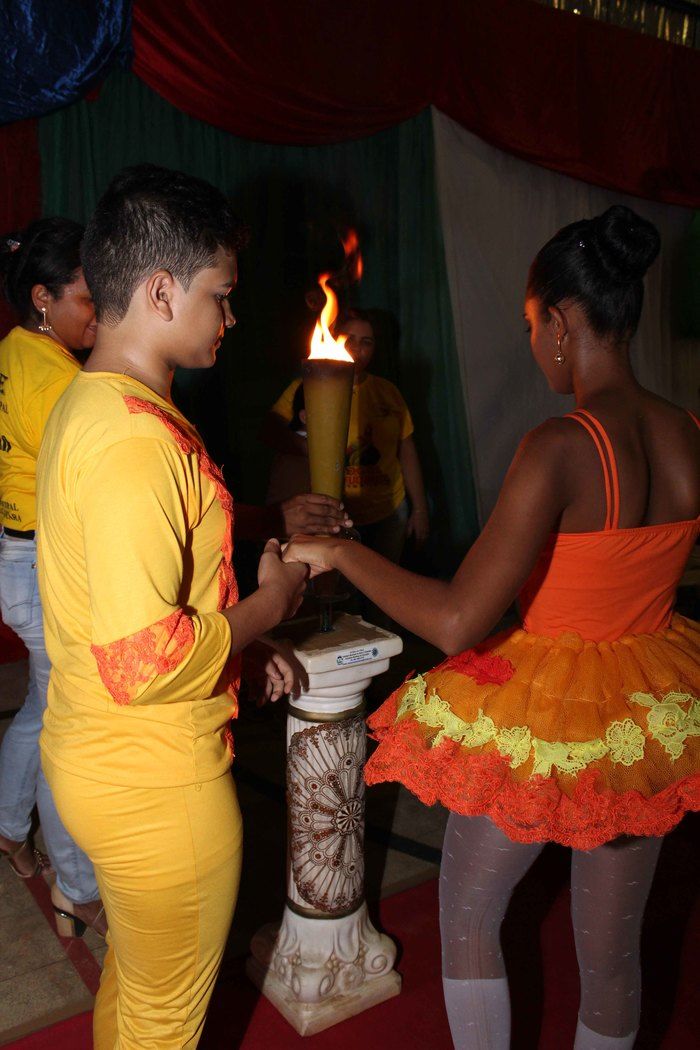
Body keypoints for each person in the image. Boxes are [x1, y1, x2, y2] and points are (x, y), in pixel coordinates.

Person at [284, 205, 700, 1050]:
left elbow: (456, 618)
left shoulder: (561, 444)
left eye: (528, 324)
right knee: (613, 955)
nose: (532, 342)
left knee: (471, 915)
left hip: (549, 711)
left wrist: (343, 551)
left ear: (558, 321)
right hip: (646, 719)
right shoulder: (688, 434)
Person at [36, 165, 308, 1048]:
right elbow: (143, 657)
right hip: (154, 785)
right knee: (164, 1022)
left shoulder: (90, 403)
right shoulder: (130, 439)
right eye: (219, 296)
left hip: (97, 760)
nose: (229, 319)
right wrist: (268, 606)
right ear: (160, 290)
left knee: (136, 993)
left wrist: (234, 637)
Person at [0, 219, 105, 936]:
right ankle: (76, 883)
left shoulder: (12, 352)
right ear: (43, 298)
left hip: (14, 555)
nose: (98, 314)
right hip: (43, 566)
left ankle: (8, 828)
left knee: (41, 714)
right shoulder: (63, 381)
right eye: (86, 299)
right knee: (69, 724)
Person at [263, 309, 429, 563]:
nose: (356, 348)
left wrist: (419, 509)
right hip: (335, 513)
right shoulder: (308, 386)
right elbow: (270, 431)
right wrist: (316, 452)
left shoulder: (387, 392)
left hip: (388, 511)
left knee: (383, 584)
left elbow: (406, 449)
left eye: (366, 342)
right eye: (349, 338)